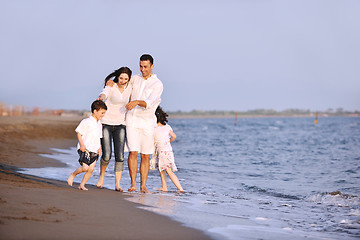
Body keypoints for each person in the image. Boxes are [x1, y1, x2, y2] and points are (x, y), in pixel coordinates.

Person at [124, 54, 163, 193]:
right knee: (132, 152)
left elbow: (150, 102)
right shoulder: (135, 79)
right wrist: (111, 82)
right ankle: (133, 183)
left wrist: (137, 102)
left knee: (145, 155)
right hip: (132, 120)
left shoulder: (157, 84)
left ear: (152, 66)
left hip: (147, 122)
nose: (142, 69)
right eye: (140, 66)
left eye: (145, 66)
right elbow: (122, 84)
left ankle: (143, 185)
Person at [95, 67, 132, 192]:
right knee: (106, 154)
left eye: (126, 79)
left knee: (120, 155)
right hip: (106, 123)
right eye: (121, 78)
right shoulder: (111, 86)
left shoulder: (130, 88)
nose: (123, 81)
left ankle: (117, 184)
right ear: (117, 77)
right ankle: (102, 176)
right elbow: (104, 93)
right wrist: (101, 97)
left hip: (121, 124)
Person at [67, 100, 107, 191]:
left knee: (91, 169)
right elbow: (79, 133)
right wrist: (82, 145)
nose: (103, 115)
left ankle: (82, 184)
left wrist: (99, 148)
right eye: (102, 113)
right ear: (95, 111)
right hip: (85, 148)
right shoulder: (86, 121)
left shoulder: (99, 124)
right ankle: (73, 174)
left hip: (95, 149)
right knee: (85, 168)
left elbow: (99, 137)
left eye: (104, 113)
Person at [150, 106, 184, 192]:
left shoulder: (154, 128)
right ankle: (164, 187)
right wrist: (168, 142)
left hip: (161, 152)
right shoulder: (167, 126)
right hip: (167, 151)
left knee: (168, 171)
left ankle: (180, 188)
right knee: (162, 169)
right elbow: (174, 136)